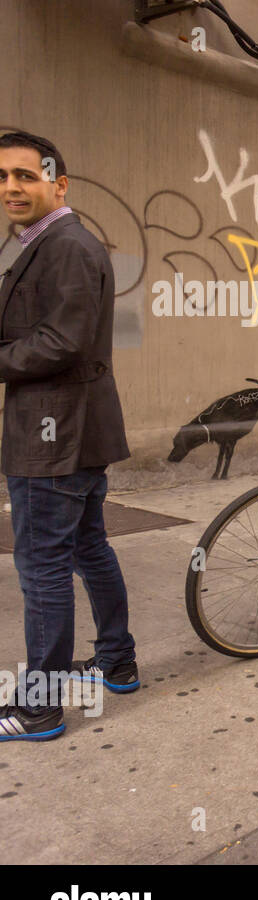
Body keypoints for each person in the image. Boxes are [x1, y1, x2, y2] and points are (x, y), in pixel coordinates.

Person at [0, 131, 133, 741]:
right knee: (85, 550)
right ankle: (117, 661)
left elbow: (63, 341)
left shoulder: (67, 245)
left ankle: (40, 708)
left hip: (54, 436)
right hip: (75, 431)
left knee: (43, 566)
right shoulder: (44, 244)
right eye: (3, 177)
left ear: (59, 184)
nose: (11, 188)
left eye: (25, 176)